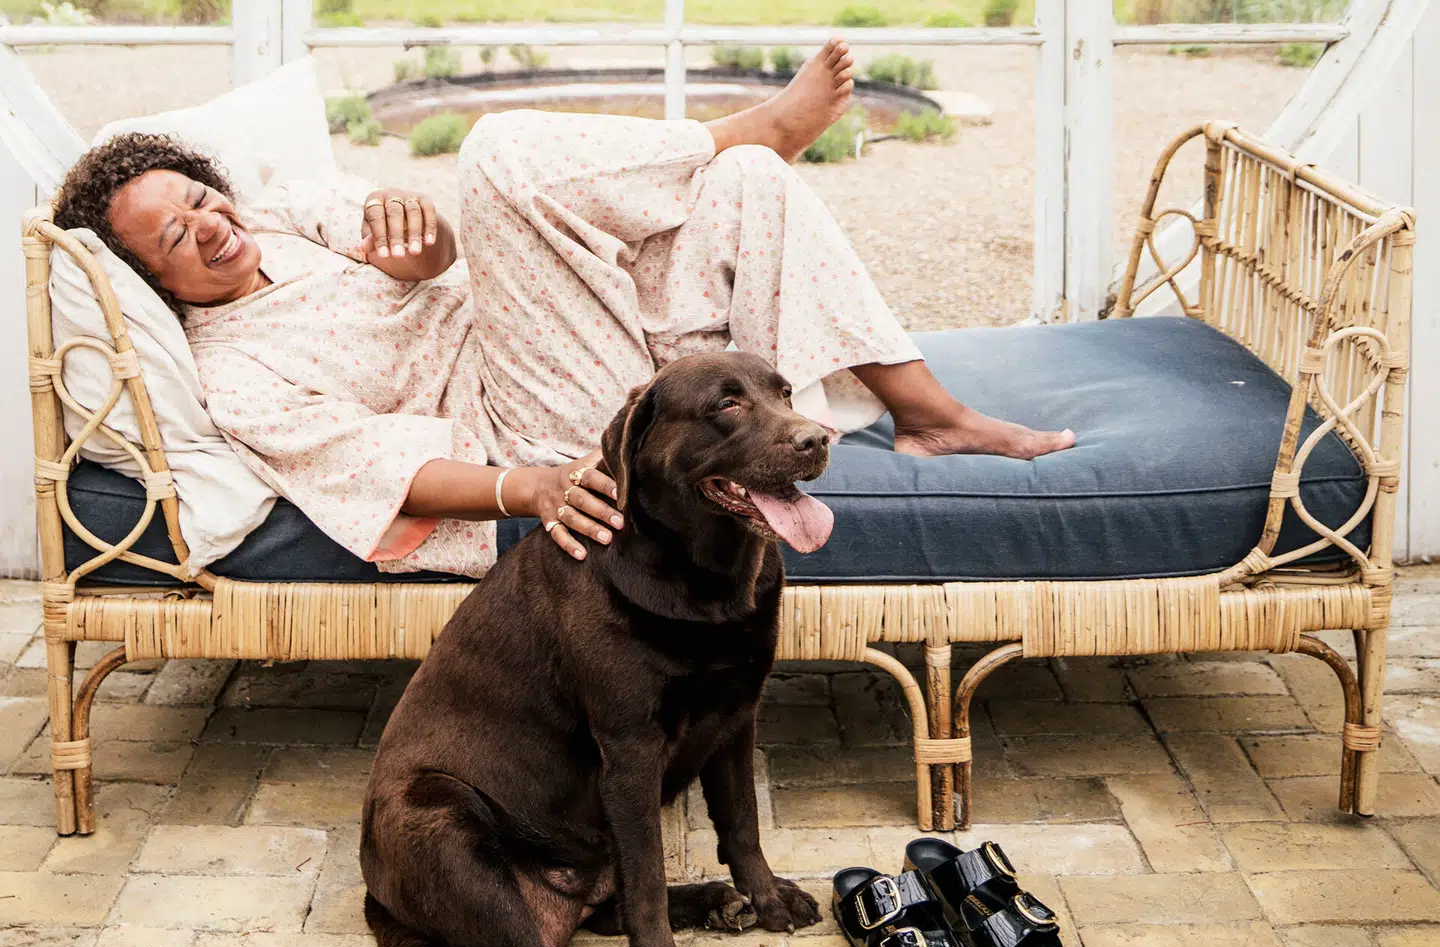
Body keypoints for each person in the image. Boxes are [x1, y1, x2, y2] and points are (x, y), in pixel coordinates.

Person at [54, 39, 1072, 577]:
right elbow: (371, 471)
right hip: (523, 423)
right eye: (176, 239)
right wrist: (529, 488)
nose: (210, 225)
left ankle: (926, 414)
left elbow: (436, 252)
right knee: (496, 153)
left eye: (198, 199)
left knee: (749, 187)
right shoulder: (230, 371)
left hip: (551, 336)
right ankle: (743, 127)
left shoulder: (281, 220)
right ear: (154, 281)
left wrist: (426, 251)